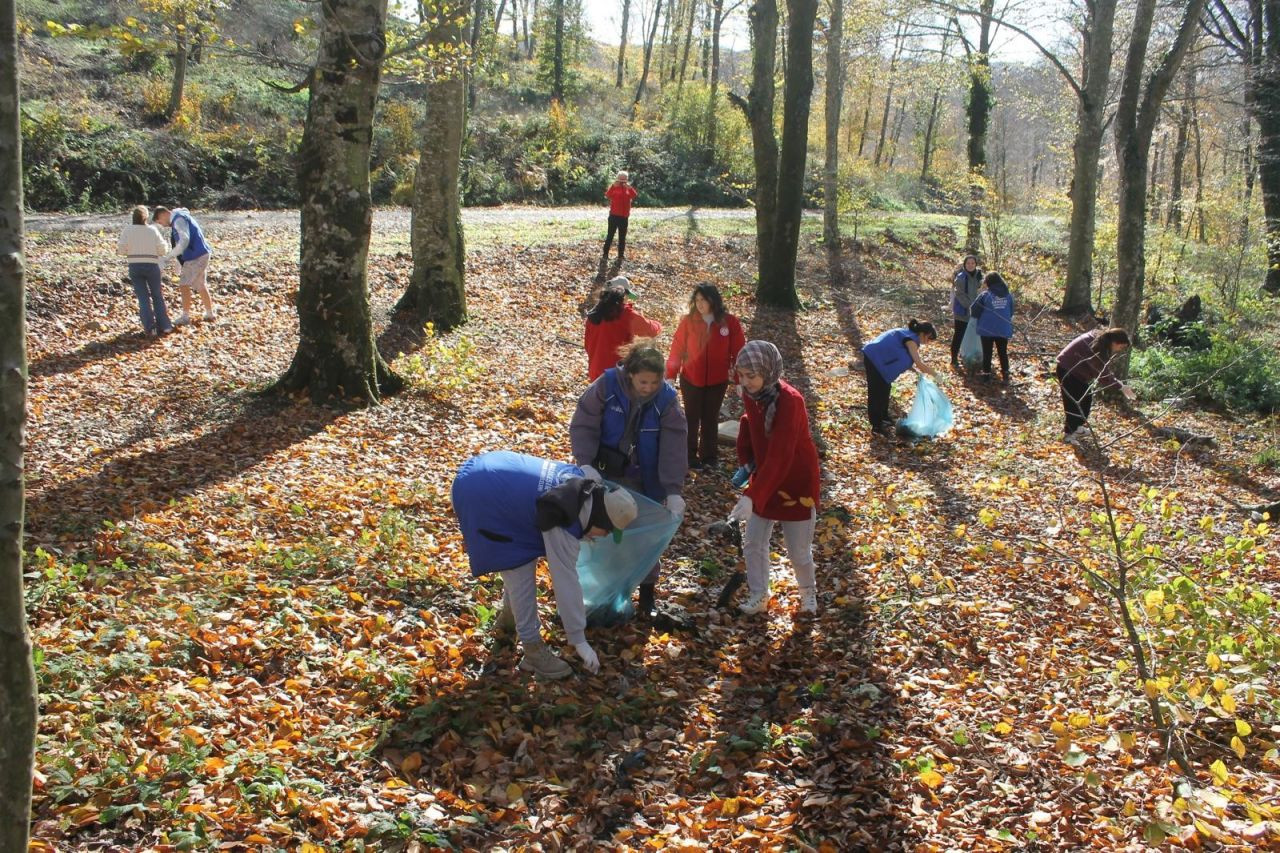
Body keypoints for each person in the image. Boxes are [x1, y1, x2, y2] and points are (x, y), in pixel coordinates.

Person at [452, 451, 638, 680]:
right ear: (600, 519)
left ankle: (508, 622)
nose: (603, 536)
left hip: (485, 468)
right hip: (481, 495)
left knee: (520, 554)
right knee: (518, 564)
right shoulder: (564, 518)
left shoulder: (584, 484)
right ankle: (532, 651)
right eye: (607, 531)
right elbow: (566, 581)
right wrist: (578, 639)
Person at [571, 340, 688, 618]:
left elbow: (675, 445)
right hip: (605, 475)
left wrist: (673, 489)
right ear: (630, 374)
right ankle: (601, 596)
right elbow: (584, 422)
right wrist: (585, 463)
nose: (648, 388)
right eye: (643, 381)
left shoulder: (667, 401)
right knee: (603, 535)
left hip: (644, 480)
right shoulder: (607, 386)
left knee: (646, 539)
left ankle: (647, 598)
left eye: (655, 382)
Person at [726, 341, 822, 616]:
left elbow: (782, 454)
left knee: (798, 550)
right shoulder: (750, 393)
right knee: (753, 542)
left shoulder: (791, 402)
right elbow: (749, 422)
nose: (744, 382)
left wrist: (751, 496)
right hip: (764, 477)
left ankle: (808, 595)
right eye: (740, 375)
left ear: (768, 373)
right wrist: (746, 459)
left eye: (751, 376)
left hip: (795, 483)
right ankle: (759, 594)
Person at [666, 283, 745, 469]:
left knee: (710, 418)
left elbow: (739, 351)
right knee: (691, 417)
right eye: (697, 300)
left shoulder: (729, 322)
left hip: (717, 380)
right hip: (691, 378)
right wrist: (671, 375)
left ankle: (709, 457)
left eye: (704, 299)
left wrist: (740, 380)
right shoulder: (688, 321)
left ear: (713, 300)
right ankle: (689, 455)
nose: (700, 304)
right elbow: (677, 349)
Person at [1055, 327, 1137, 445]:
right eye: (1121, 347)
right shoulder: (1095, 345)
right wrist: (1120, 386)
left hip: (1076, 373)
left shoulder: (1100, 341)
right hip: (1067, 371)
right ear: (1115, 342)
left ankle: (1077, 428)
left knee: (1085, 401)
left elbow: (1101, 368)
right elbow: (1101, 372)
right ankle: (1069, 434)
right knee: (1073, 404)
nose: (1119, 350)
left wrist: (1119, 385)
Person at [860, 320, 939, 436]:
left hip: (881, 362)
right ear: (923, 333)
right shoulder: (911, 340)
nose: (928, 342)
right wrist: (936, 375)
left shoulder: (909, 336)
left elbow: (906, 358)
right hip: (875, 359)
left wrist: (916, 372)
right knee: (876, 392)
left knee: (885, 388)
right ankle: (876, 425)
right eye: (929, 338)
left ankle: (884, 417)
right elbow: (919, 363)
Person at [583, 277, 663, 381]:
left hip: (595, 372)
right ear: (622, 295)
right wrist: (658, 325)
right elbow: (651, 330)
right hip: (617, 375)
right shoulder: (626, 314)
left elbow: (587, 346)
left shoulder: (593, 314)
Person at [115, 205, 173, 336]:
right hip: (152, 265)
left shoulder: (128, 230)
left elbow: (121, 249)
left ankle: (150, 327)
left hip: (135, 266)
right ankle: (165, 325)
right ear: (146, 217)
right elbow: (163, 249)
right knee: (157, 295)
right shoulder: (152, 230)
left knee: (143, 298)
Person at [153, 205, 216, 325]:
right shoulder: (180, 218)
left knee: (183, 285)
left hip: (196, 256)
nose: (162, 225)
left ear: (163, 215)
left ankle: (185, 316)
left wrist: (168, 257)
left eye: (160, 222)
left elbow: (184, 240)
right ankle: (209, 313)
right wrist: (179, 262)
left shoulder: (179, 220)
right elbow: (181, 242)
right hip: (201, 253)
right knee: (200, 284)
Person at [970, 272, 1014, 383]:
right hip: (1003, 329)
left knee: (987, 352)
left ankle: (986, 376)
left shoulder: (985, 295)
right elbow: (1011, 311)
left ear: (988, 283)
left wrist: (981, 316)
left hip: (986, 329)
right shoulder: (1008, 295)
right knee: (1002, 352)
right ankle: (1005, 375)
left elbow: (974, 310)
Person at [950, 254, 983, 369]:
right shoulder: (961, 277)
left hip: (974, 311)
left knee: (971, 335)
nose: (970, 265)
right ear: (964, 264)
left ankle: (968, 356)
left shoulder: (978, 276)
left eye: (972, 263)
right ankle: (953, 359)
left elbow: (981, 290)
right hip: (962, 311)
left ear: (975, 264)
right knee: (959, 334)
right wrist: (969, 305)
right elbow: (959, 294)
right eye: (968, 263)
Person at [601, 170, 638, 268]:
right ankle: (605, 254)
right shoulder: (614, 187)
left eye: (624, 180)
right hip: (613, 216)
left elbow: (634, 195)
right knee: (610, 236)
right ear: (617, 179)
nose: (622, 182)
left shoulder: (628, 189)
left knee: (622, 237)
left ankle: (620, 256)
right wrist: (613, 186)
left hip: (624, 217)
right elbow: (607, 195)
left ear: (627, 180)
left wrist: (629, 188)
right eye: (620, 180)